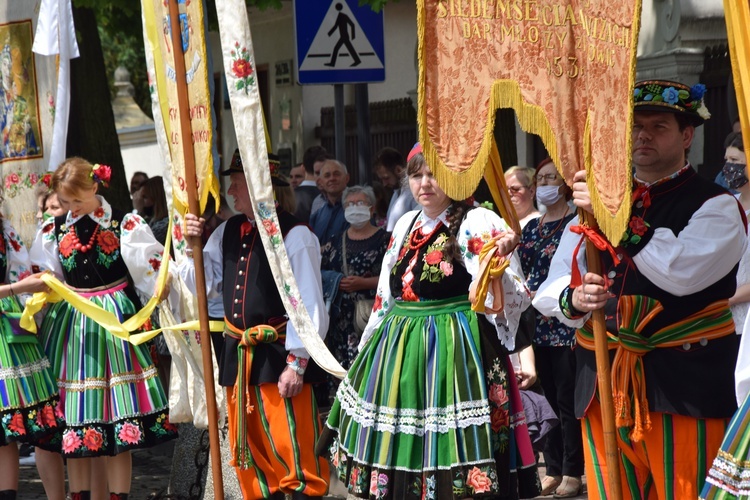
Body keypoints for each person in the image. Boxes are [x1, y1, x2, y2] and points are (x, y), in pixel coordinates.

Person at [533, 79, 746, 499]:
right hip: (601, 383)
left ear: (687, 136)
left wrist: (617, 215)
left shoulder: (717, 205)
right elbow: (556, 277)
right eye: (635, 126)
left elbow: (680, 273)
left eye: (659, 126)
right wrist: (573, 298)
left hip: (684, 384)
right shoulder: (597, 201)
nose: (643, 135)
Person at [318, 144, 540, 499]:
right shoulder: (406, 223)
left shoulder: (476, 221)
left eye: (432, 174)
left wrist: (497, 262)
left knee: (450, 447)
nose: (424, 183)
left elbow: (509, 296)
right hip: (402, 352)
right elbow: (385, 298)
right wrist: (367, 350)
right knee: (408, 448)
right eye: (417, 175)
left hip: (453, 353)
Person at [181, 149, 330, 499]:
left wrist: (297, 362)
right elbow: (201, 285)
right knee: (250, 453)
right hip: (240, 357)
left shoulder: (295, 235)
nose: (231, 193)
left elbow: (308, 304)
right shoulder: (228, 230)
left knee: (293, 449)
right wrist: (191, 247)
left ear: (261, 188)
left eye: (237, 184)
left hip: (278, 358)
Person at [30, 158, 178, 500]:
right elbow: (47, 279)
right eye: (64, 202)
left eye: (75, 200)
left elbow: (153, 272)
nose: (69, 208)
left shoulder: (123, 225)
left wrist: (163, 283)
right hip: (71, 329)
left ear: (95, 186)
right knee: (75, 423)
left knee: (118, 420)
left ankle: (118, 497)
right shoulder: (54, 231)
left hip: (114, 328)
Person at [518, 158, 581, 497]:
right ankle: (552, 467)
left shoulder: (575, 223)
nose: (544, 183)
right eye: (540, 178)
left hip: (565, 323)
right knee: (545, 400)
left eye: (551, 178)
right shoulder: (531, 227)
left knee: (568, 400)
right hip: (535, 326)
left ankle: (574, 469)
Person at [0, 206, 66, 500]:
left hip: (9, 330)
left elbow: (22, 272)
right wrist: (17, 287)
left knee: (11, 431)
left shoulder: (4, 230)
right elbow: (20, 281)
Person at [701, 132, 750, 500]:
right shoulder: (726, 205)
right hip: (722, 317)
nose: (731, 169)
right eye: (728, 160)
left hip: (740, 313)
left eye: (739, 162)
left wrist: (723, 299)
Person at [319, 185, 389, 403]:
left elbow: (394, 276)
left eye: (359, 203)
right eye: (349, 204)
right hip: (340, 321)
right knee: (342, 376)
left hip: (371, 318)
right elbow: (318, 272)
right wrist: (335, 281)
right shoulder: (334, 241)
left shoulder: (385, 240)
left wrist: (364, 283)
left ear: (371, 207)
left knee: (371, 373)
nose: (354, 208)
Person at [374, 147, 420, 231]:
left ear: (398, 170)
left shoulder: (413, 192)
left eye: (386, 178)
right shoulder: (397, 193)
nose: (384, 184)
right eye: (382, 179)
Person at [309, 159, 349, 246]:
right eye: (327, 176)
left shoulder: (356, 207)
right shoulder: (317, 215)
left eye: (336, 174)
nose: (332, 178)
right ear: (320, 182)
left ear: (347, 178)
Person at [138, 177, 169, 246]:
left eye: (145, 197)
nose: (141, 202)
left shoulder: (164, 225)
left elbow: (142, 244)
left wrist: (138, 211)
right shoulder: (151, 221)